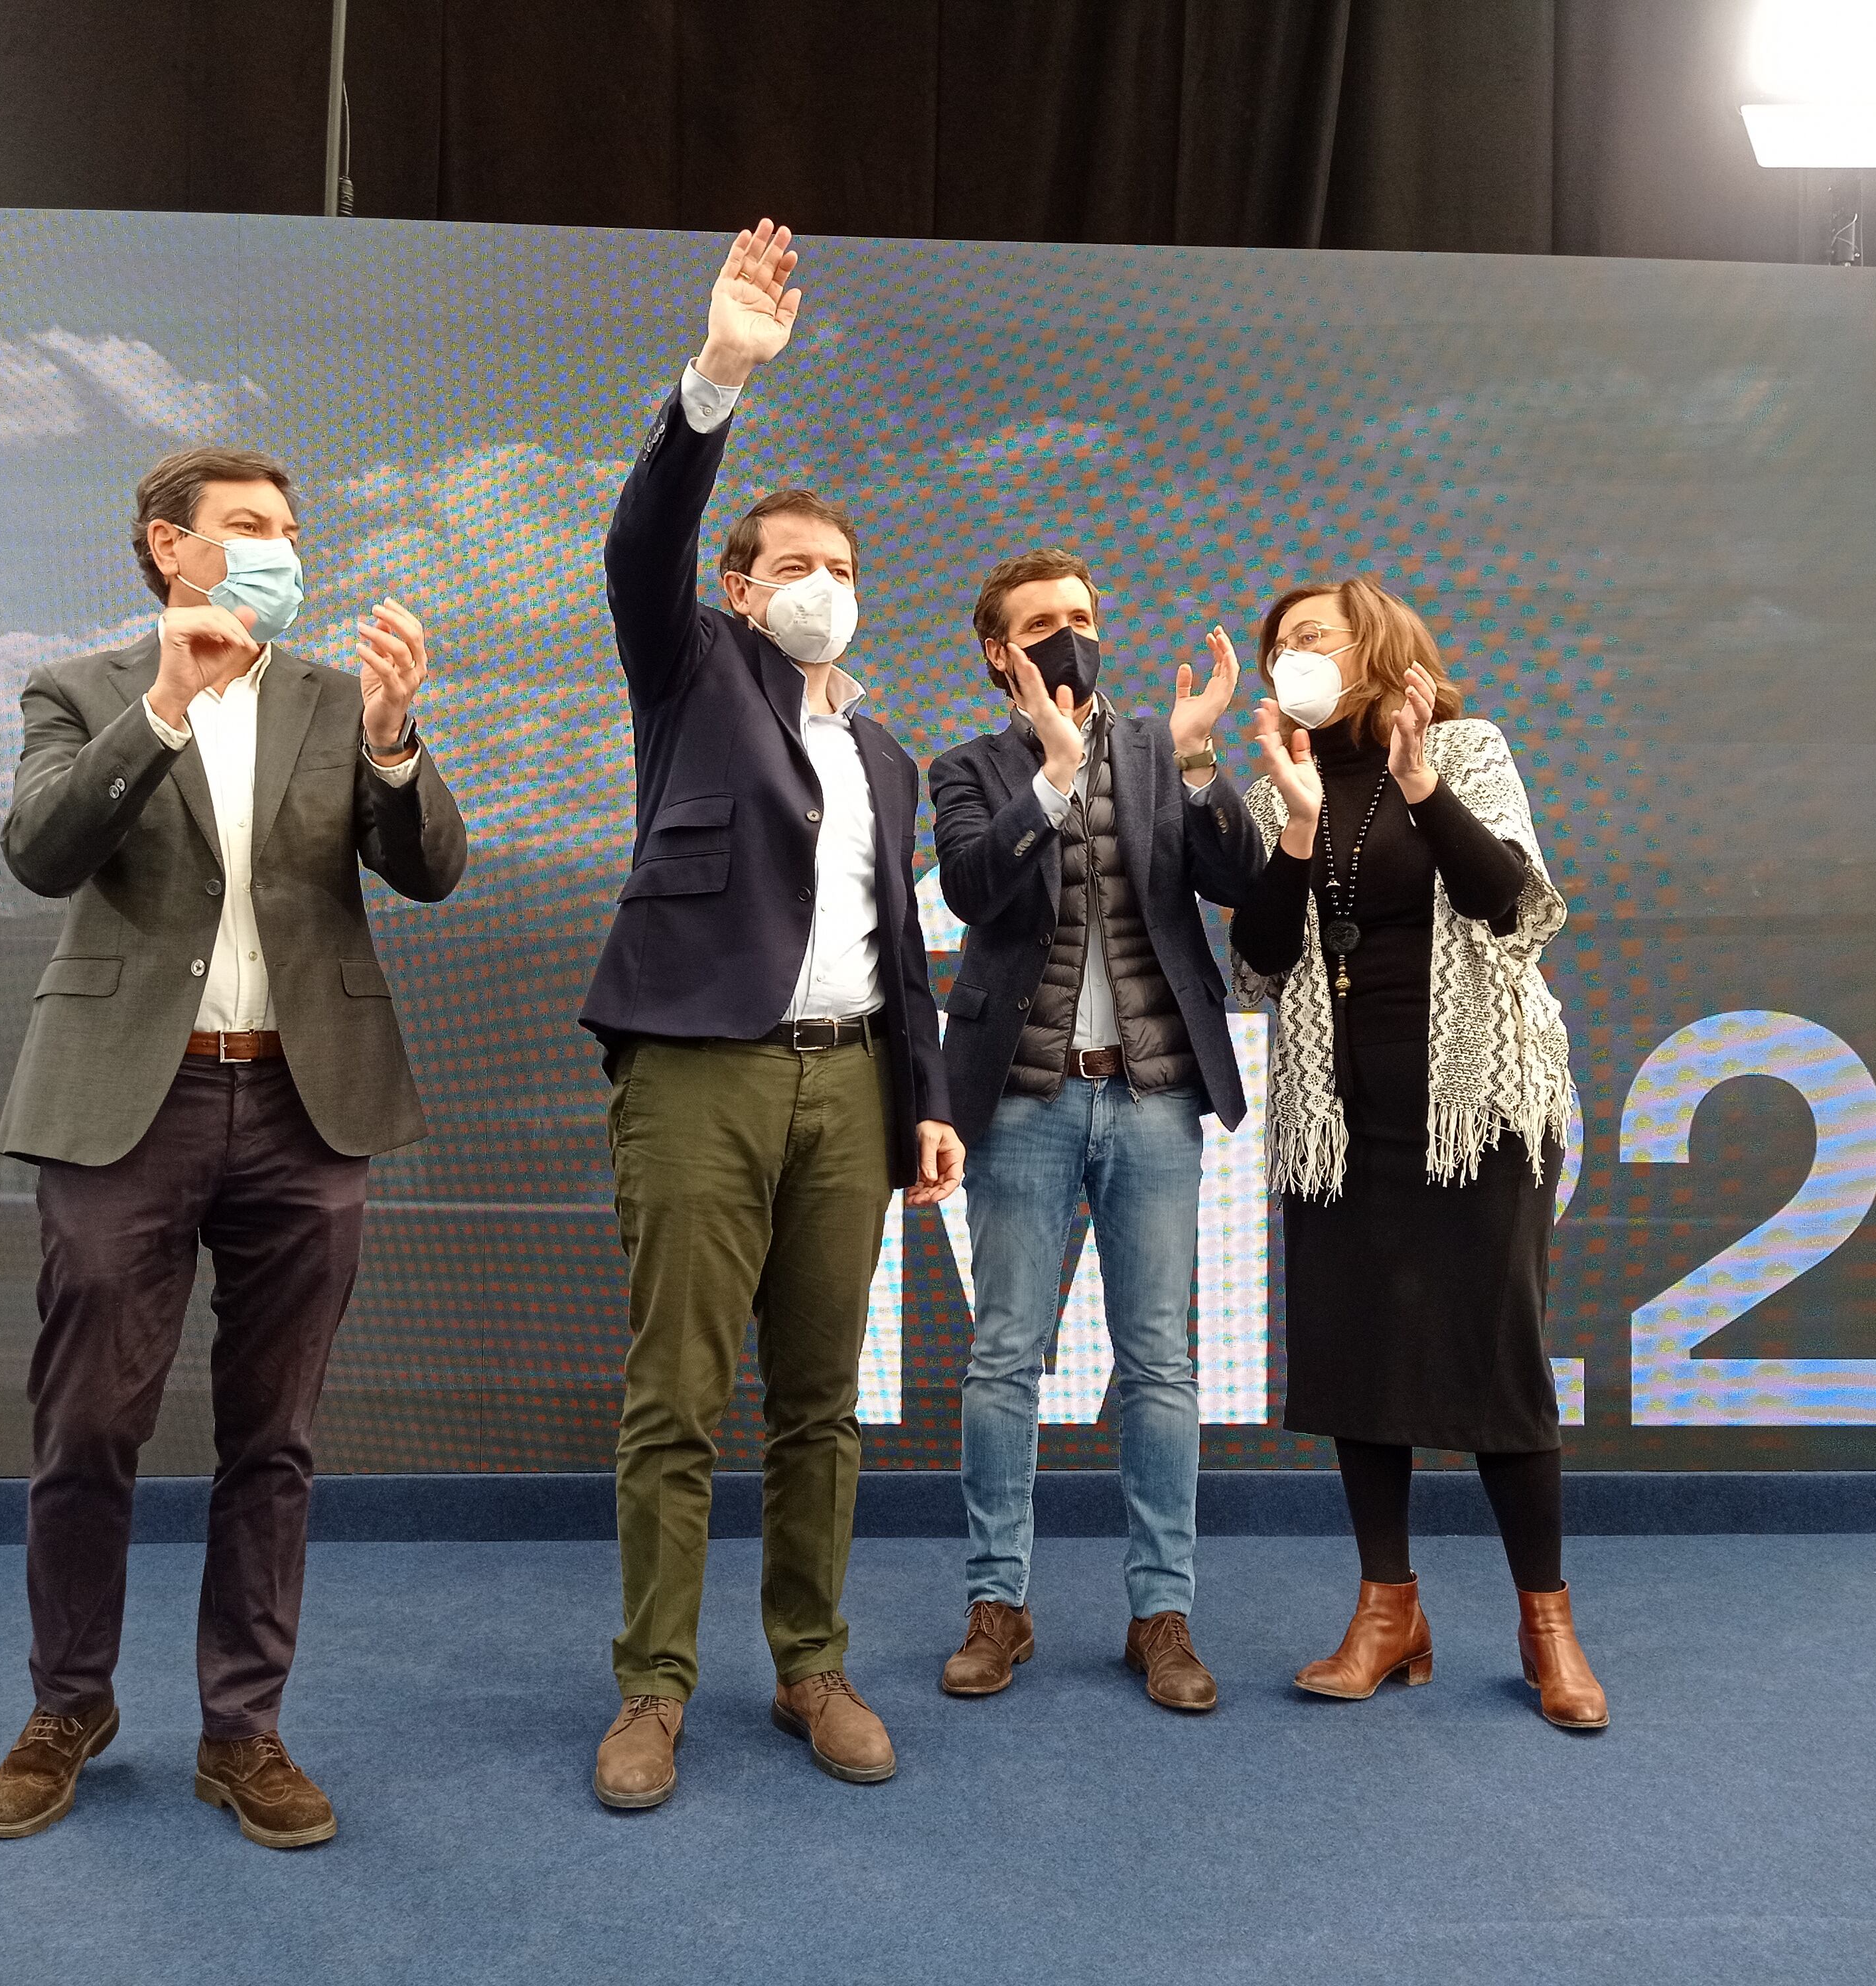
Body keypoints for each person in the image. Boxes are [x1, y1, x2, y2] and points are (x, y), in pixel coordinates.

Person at [0, 445, 467, 1847]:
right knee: (86, 1423)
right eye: (247, 526)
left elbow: (429, 867)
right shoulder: (80, 689)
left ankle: (242, 1727)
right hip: (125, 1107)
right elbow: (41, 849)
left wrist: (391, 737)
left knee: (276, 1437)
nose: (277, 548)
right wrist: (166, 707)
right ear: (167, 546)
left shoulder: (334, 695)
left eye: (287, 529)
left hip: (308, 1109)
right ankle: (67, 1702)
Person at [581, 220, 962, 1809]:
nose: (823, 587)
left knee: (820, 1402)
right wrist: (719, 375)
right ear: (741, 589)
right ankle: (652, 1692)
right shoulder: (689, 673)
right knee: (676, 1397)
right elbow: (639, 540)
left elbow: (904, 950)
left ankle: (808, 1663)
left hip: (849, 1085)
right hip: (698, 1080)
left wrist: (922, 1094)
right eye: (793, 566)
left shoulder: (884, 753)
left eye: (842, 570)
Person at [1228, 573, 1607, 1732]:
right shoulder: (1271, 785)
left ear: (1377, 649)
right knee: (1358, 1361)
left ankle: (1548, 1626)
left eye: (1316, 636)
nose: (1295, 653)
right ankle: (1388, 1611)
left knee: (1499, 1363)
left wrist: (1422, 788)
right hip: (1340, 1119)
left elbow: (1516, 907)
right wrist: (1292, 826)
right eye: (1282, 642)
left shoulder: (1469, 747)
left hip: (1479, 1109)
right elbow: (1258, 962)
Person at [924, 550, 1267, 1711]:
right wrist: (1054, 779)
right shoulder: (967, 767)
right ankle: (997, 1606)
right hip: (1020, 1103)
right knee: (1004, 1357)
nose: (1070, 636)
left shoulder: (1164, 750)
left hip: (1156, 1096)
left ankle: (1160, 1616)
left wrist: (1200, 751)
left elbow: (1241, 877)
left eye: (1082, 616)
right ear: (997, 652)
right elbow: (974, 890)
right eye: (1042, 624)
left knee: (1160, 1362)